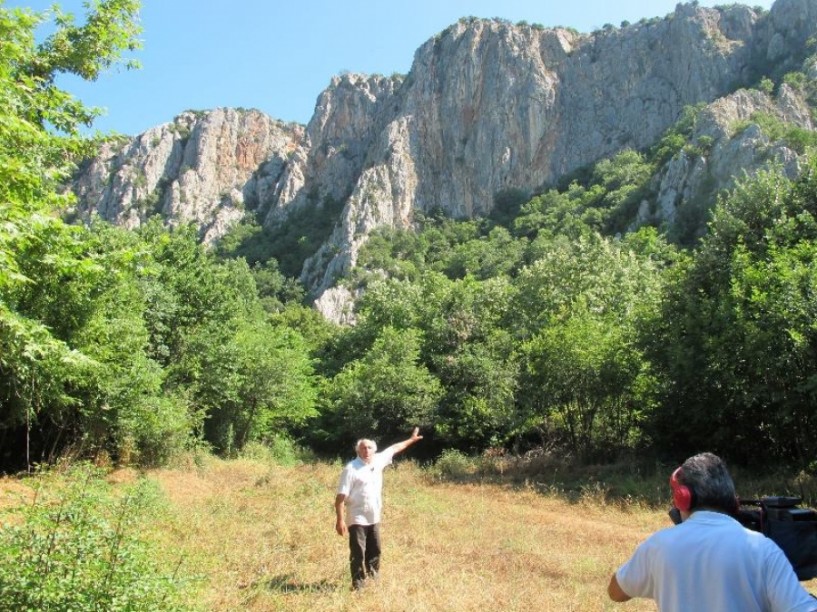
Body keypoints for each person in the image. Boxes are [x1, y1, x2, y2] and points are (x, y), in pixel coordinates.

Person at [608, 452, 817, 611]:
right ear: (733, 501)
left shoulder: (658, 546)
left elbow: (615, 592)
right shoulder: (763, 549)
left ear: (682, 497)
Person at [335, 427, 423, 590]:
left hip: (374, 516)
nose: (366, 450)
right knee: (358, 553)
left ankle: (374, 579)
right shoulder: (351, 469)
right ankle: (358, 585)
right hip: (356, 517)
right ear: (358, 450)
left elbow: (396, 448)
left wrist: (411, 439)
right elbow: (340, 498)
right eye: (363, 448)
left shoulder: (378, 460)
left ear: (374, 450)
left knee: (375, 550)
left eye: (369, 447)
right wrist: (340, 520)